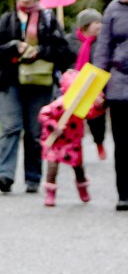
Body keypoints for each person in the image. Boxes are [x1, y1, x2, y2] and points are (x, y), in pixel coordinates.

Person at [0, 0, 73, 195]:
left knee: (35, 131)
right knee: (10, 127)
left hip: (40, 82)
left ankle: (33, 177)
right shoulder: (7, 20)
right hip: (10, 81)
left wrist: (41, 51)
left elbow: (64, 51)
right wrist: (14, 47)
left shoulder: (48, 19)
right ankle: (5, 175)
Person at [38, 69, 105, 206]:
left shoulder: (81, 106)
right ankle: (50, 194)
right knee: (52, 167)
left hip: (72, 141)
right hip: (56, 141)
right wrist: (54, 126)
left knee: (78, 167)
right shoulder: (60, 104)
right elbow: (44, 114)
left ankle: (83, 188)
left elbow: (91, 113)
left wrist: (99, 106)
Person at [96, 0, 128, 211]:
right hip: (119, 84)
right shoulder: (112, 10)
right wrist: (97, 85)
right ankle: (124, 194)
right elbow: (103, 49)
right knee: (122, 142)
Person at [66, 8, 107, 160]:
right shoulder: (70, 41)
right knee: (73, 121)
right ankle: (74, 149)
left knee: (97, 120)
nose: (100, 26)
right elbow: (62, 59)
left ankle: (99, 142)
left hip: (95, 86)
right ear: (85, 25)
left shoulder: (102, 41)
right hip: (73, 84)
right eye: (96, 22)